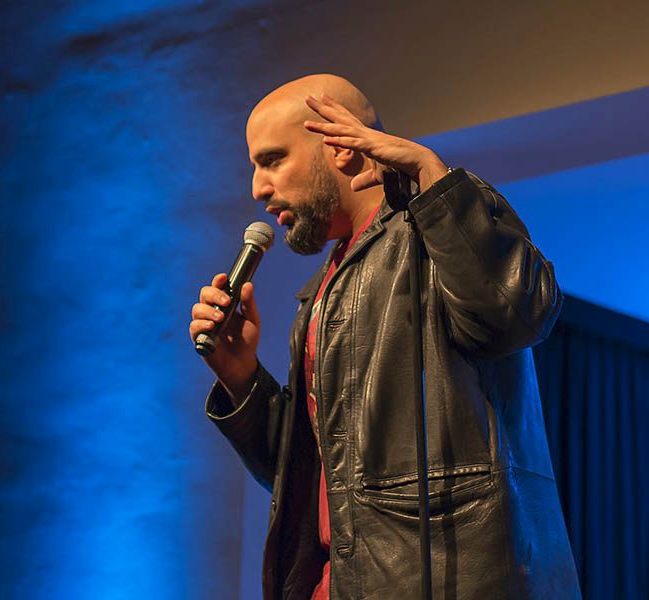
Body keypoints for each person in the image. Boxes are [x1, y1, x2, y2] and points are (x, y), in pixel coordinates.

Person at [189, 74, 580, 599]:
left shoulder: (437, 225)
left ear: (342, 147)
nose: (257, 188)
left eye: (273, 159)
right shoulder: (324, 290)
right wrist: (241, 380)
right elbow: (312, 481)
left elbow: (516, 314)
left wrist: (431, 176)